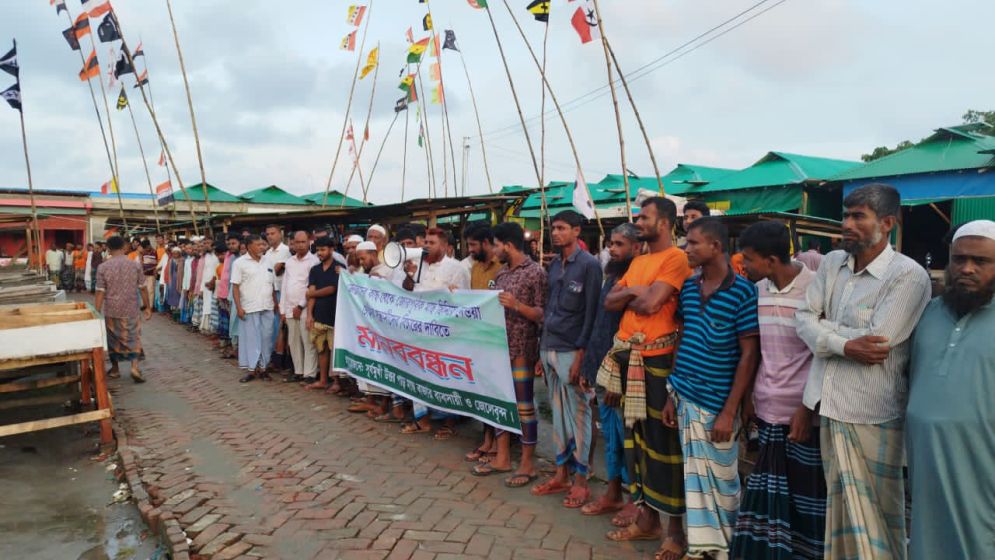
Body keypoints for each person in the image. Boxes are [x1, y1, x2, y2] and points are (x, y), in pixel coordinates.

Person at [796, 183, 930, 560]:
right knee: (839, 512)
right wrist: (843, 343)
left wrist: (827, 332)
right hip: (830, 406)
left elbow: (879, 343)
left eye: (858, 216)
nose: (847, 224)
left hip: (875, 414)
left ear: (887, 223)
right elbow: (803, 318)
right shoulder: (833, 263)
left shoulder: (908, 276)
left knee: (879, 516)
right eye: (845, 215)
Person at [600, 197, 692, 559]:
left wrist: (634, 295)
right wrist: (639, 291)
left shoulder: (676, 259)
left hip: (657, 361)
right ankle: (646, 518)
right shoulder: (638, 260)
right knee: (635, 443)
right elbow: (610, 301)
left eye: (645, 217)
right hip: (627, 359)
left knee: (664, 448)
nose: (638, 221)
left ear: (666, 222)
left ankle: (675, 532)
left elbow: (653, 305)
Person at [665, 217, 760, 560]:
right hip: (684, 394)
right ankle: (701, 547)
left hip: (719, 403)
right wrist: (671, 392)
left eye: (692, 243)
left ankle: (726, 550)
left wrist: (730, 411)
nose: (686, 249)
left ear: (716, 247)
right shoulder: (689, 288)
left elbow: (749, 354)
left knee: (722, 483)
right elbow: (683, 337)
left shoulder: (743, 292)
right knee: (694, 479)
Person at [731, 221, 826, 560]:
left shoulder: (816, 290)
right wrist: (748, 401)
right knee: (766, 495)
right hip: (766, 411)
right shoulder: (757, 290)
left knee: (804, 500)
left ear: (771, 260)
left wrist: (807, 409)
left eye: (748, 259)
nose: (743, 265)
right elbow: (756, 353)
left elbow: (822, 355)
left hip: (800, 418)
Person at [906, 220, 995, 560]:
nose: (967, 268)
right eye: (959, 259)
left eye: (981, 261)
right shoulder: (929, 313)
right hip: (927, 463)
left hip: (982, 465)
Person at [529, 210, 602, 507]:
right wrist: (540, 352)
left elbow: (593, 313)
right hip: (550, 348)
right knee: (559, 416)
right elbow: (549, 311)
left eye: (561, 228)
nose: (555, 233)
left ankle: (582, 482)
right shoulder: (555, 266)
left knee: (580, 418)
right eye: (553, 228)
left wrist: (583, 357)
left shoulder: (589, 266)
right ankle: (561, 474)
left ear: (576, 231)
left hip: (573, 350)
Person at [475, 222, 546, 489]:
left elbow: (541, 314)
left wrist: (517, 306)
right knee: (501, 402)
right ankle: (502, 457)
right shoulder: (502, 275)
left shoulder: (535, 273)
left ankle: (528, 463)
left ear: (508, 244)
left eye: (496, 245)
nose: (493, 250)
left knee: (524, 405)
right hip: (498, 348)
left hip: (522, 350)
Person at [578, 223, 639, 520]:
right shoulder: (612, 275)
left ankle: (632, 499)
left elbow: (630, 332)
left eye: (619, 244)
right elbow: (601, 324)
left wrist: (618, 379)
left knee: (627, 438)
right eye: (610, 243)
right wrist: (589, 365)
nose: (612, 249)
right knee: (612, 439)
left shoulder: (637, 278)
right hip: (602, 367)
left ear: (636, 247)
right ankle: (613, 492)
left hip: (624, 374)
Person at [401, 228, 470, 438]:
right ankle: (422, 419)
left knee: (445, 378)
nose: (426, 246)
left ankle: (448, 422)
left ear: (443, 245)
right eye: (426, 242)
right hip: (419, 331)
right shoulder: (418, 265)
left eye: (431, 243)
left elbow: (464, 301)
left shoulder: (456, 268)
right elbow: (407, 290)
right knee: (418, 373)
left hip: (445, 334)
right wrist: (409, 276)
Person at [463, 225, 505, 464]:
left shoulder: (502, 269)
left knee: (496, 393)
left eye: (473, 245)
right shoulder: (475, 268)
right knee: (482, 391)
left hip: (498, 340)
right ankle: (486, 440)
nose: (470, 250)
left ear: (487, 243)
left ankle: (499, 445)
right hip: (478, 340)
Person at [94, 235, 152, 383]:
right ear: (124, 247)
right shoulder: (135, 265)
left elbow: (100, 291)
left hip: (112, 308)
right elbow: (143, 288)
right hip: (131, 307)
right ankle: (134, 367)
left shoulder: (103, 267)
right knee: (134, 336)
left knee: (112, 338)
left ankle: (115, 369)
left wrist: (96, 311)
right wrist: (147, 307)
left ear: (108, 248)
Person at [232, 235, 279, 383]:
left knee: (267, 338)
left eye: (263, 245)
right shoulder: (240, 263)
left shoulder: (268, 261)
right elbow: (235, 287)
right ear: (249, 246)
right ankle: (251, 370)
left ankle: (264, 368)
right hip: (249, 307)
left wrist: (275, 303)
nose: (262, 247)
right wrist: (239, 307)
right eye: (258, 245)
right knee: (252, 339)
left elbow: (271, 284)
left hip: (267, 306)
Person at [281, 231, 320, 383]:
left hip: (305, 307)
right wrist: (283, 309)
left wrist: (300, 306)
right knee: (293, 341)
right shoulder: (290, 261)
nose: (300, 245)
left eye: (303, 242)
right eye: (297, 242)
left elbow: (311, 286)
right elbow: (285, 285)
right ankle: (298, 371)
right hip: (290, 307)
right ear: (293, 243)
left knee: (308, 341)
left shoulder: (314, 261)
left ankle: (310, 373)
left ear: (309, 242)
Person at [305, 236, 339, 391]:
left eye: (323, 249)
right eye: (318, 250)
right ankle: (323, 380)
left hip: (335, 315)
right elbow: (311, 291)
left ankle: (337, 382)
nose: (320, 253)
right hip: (318, 314)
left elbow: (332, 289)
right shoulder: (315, 269)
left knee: (334, 349)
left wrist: (312, 294)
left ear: (331, 249)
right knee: (321, 349)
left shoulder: (338, 268)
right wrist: (310, 315)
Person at [265, 224, 291, 370]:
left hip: (284, 293)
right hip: (272, 293)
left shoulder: (286, 251)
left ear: (280, 234)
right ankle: (275, 358)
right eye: (268, 234)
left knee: (283, 328)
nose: (270, 236)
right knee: (273, 327)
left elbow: (277, 270)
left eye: (272, 233)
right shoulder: (268, 253)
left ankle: (282, 360)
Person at [216, 234, 241, 359]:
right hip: (229, 294)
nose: (231, 246)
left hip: (240, 296)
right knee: (232, 323)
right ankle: (235, 348)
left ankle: (238, 349)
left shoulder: (241, 258)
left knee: (238, 323)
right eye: (229, 244)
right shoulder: (229, 257)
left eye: (234, 243)